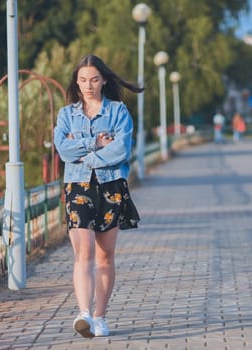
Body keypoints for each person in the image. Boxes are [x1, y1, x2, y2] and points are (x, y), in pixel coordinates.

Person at [53, 54, 141, 338]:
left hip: (111, 187)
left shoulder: (118, 112)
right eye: (82, 80)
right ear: (76, 83)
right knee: (84, 253)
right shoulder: (66, 115)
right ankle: (84, 314)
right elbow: (63, 152)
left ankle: (100, 316)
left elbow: (121, 150)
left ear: (103, 80)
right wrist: (95, 143)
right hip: (78, 188)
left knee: (105, 256)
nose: (88, 85)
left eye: (93, 79)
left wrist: (85, 156)